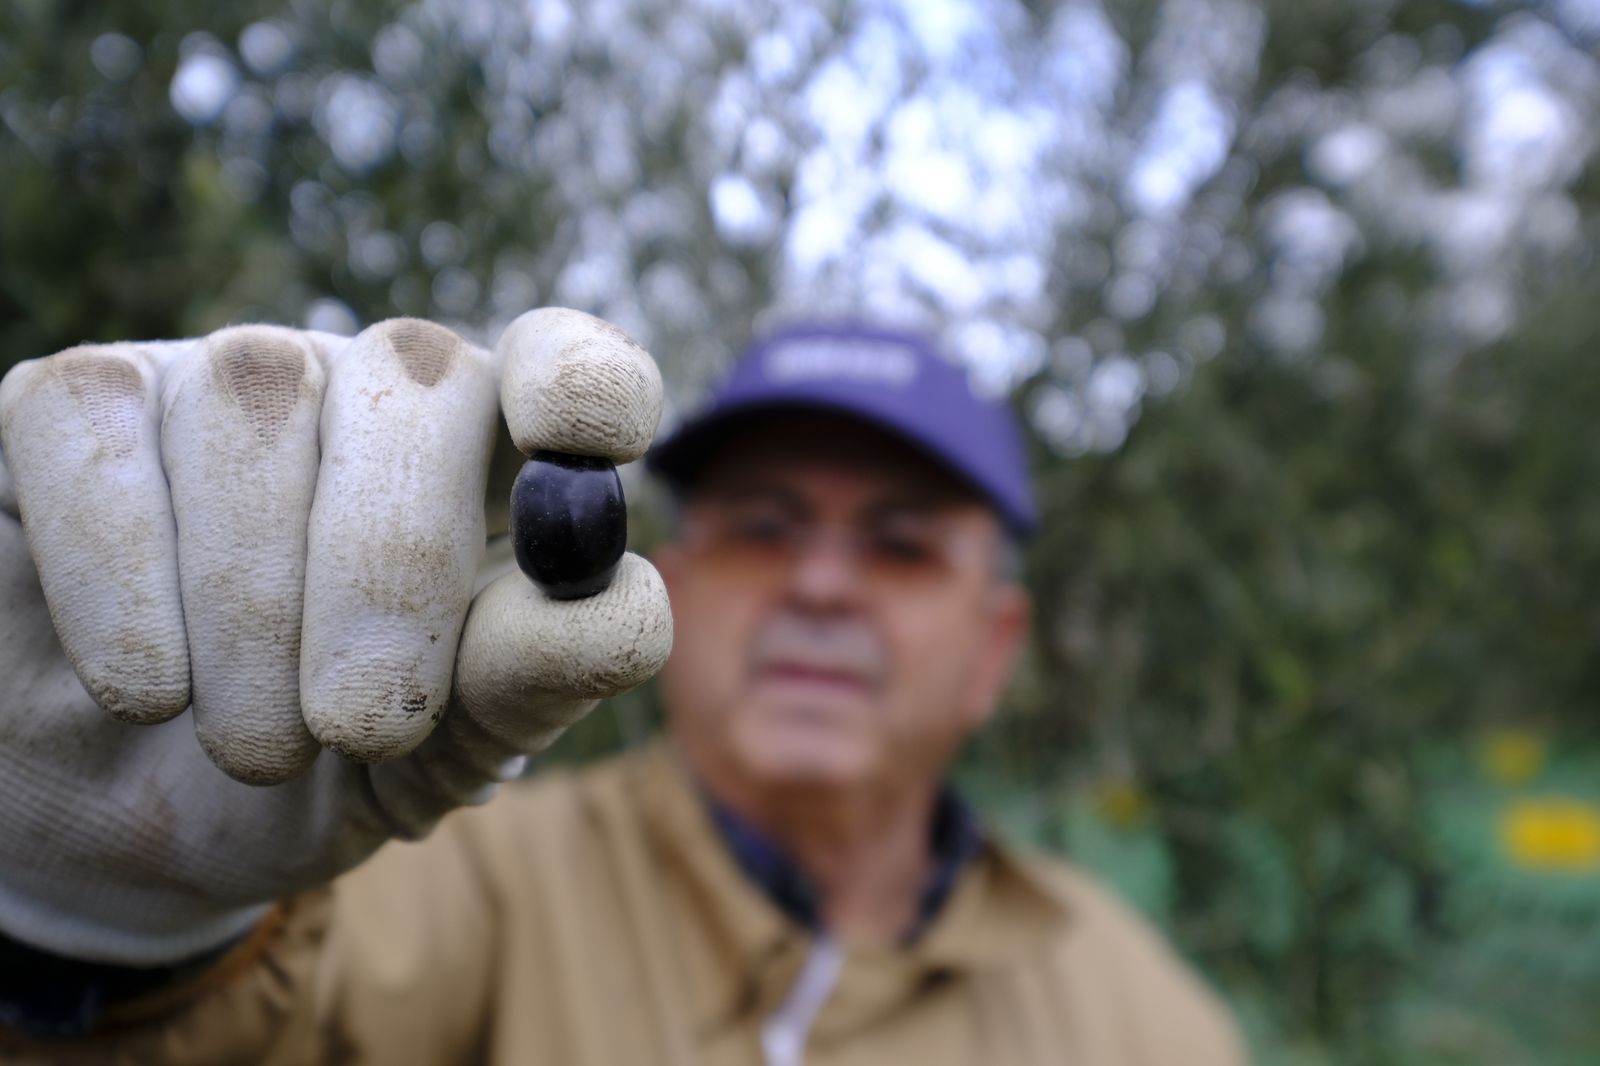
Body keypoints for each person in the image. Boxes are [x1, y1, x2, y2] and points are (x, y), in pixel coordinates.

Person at [0, 311, 1245, 1064]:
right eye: (764, 524)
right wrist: (102, 945)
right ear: (681, 586)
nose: (819, 585)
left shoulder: (1150, 1026)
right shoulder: (439, 884)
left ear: (993, 647)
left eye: (902, 546)